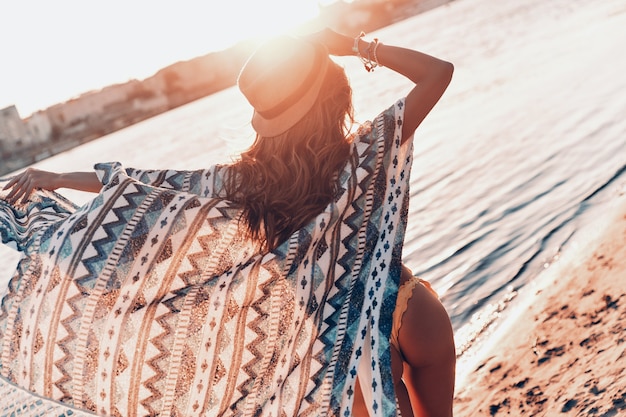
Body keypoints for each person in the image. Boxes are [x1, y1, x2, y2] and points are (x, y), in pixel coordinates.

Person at [0, 28, 453, 416]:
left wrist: (57, 176)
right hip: (413, 310)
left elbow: (138, 184)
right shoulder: (365, 153)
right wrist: (350, 45)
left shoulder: (240, 183)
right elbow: (438, 72)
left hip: (345, 348)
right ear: (337, 97)